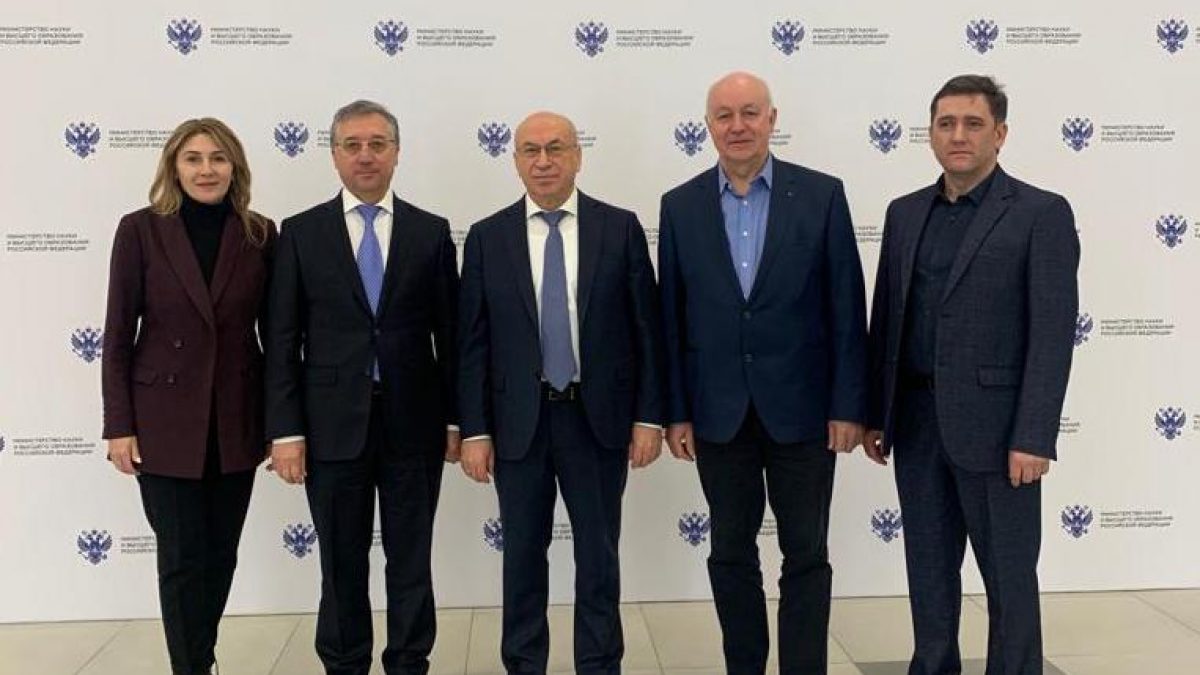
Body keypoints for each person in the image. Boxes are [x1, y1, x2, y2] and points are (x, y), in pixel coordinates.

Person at [863, 74, 1079, 675]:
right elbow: (888, 318)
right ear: (931, 134)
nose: (958, 135)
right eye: (946, 124)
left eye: (973, 124)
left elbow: (1053, 334)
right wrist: (877, 413)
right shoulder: (905, 213)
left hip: (999, 433)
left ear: (1000, 134)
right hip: (916, 425)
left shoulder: (1040, 214)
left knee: (1009, 579)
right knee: (928, 574)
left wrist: (1033, 435)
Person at [658, 72, 868, 674]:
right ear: (708, 126)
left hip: (804, 413)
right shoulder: (680, 206)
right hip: (718, 413)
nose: (738, 126)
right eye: (724, 115)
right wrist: (676, 411)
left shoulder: (822, 195)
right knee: (729, 553)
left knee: (806, 554)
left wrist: (848, 405)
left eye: (750, 113)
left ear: (772, 119)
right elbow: (671, 317)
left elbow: (846, 308)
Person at [457, 111, 664, 675]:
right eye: (531, 150)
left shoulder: (619, 228)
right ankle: (524, 664)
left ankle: (600, 664)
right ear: (515, 161)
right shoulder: (487, 237)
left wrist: (649, 417)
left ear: (578, 156)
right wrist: (474, 430)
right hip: (517, 425)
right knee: (522, 559)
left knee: (598, 557)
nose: (543, 161)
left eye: (555, 148)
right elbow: (471, 344)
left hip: (597, 421)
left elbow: (647, 331)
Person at [263, 100, 459, 675]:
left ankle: (409, 662)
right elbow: (281, 339)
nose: (365, 155)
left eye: (377, 144)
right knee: (340, 562)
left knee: (411, 561)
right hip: (329, 428)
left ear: (397, 153)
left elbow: (452, 339)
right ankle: (344, 664)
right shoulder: (300, 233)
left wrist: (456, 420)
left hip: (414, 426)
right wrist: (286, 430)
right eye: (352, 145)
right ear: (334, 155)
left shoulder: (430, 231)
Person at [101, 117, 276, 675]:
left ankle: (201, 655)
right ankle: (192, 666)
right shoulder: (140, 230)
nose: (206, 169)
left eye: (218, 158)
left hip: (235, 419)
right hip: (163, 423)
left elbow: (275, 337)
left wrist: (280, 423)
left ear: (235, 168)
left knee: (220, 555)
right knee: (181, 558)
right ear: (174, 167)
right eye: (193, 158)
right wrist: (119, 425)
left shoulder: (260, 233)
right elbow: (117, 335)